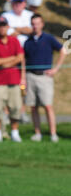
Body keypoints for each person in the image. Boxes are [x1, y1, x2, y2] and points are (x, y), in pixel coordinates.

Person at [24, 14, 67, 143]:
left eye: (37, 23)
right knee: (33, 106)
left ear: (42, 24)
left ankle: (53, 133)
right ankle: (37, 133)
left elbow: (63, 51)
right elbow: (24, 59)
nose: (35, 26)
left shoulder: (48, 38)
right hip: (30, 75)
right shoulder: (28, 41)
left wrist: (55, 69)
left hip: (45, 76)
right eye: (33, 23)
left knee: (48, 106)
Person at [0, 16, 25, 142]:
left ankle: (15, 132)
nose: (2, 28)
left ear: (8, 27)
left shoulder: (14, 41)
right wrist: (12, 59)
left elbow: (20, 57)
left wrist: (6, 63)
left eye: (4, 25)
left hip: (14, 79)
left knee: (15, 107)